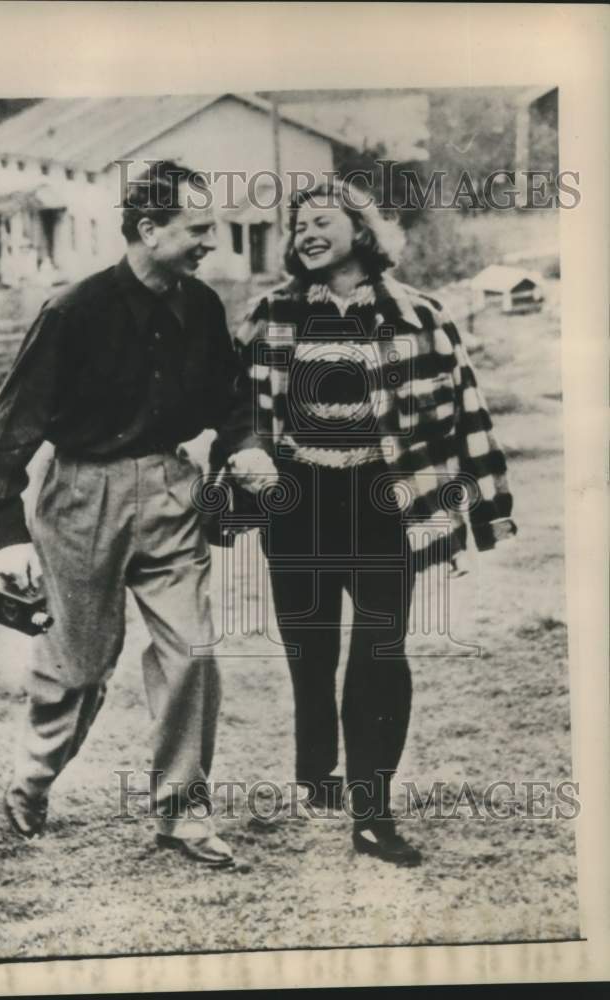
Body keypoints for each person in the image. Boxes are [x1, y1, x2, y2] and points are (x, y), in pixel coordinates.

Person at [218, 179, 516, 866]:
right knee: (309, 648)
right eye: (297, 226)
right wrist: (248, 455)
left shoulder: (419, 315)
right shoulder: (268, 315)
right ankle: (315, 770)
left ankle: (371, 812)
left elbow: (465, 414)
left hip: (384, 503)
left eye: (321, 221)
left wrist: (482, 511)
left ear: (361, 229)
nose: (306, 234)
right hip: (298, 502)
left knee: (381, 651)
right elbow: (238, 410)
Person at [0, 161, 242, 868]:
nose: (207, 243)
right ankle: (31, 783)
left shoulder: (203, 309)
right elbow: (13, 427)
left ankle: (182, 817)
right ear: (149, 229)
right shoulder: (74, 311)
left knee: (193, 653)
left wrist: (245, 449)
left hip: (168, 489)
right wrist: (7, 534)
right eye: (197, 229)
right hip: (81, 497)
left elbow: (232, 399)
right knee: (78, 669)